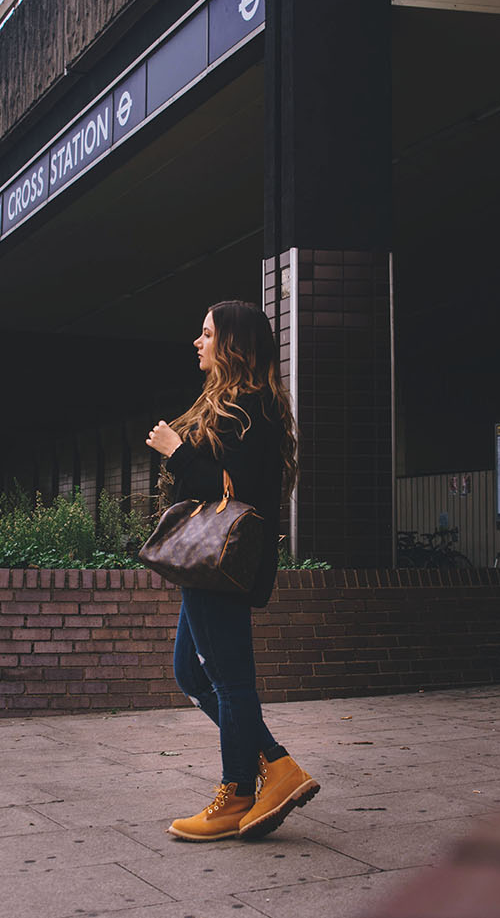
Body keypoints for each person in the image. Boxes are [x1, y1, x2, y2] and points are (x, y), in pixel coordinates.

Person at [145, 300, 320, 842]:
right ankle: (276, 764)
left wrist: (176, 453)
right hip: (209, 561)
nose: (197, 343)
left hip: (224, 557)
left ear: (233, 344)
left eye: (205, 334)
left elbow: (234, 491)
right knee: (192, 674)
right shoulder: (231, 404)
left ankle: (238, 790)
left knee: (228, 679)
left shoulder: (251, 407)